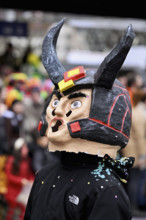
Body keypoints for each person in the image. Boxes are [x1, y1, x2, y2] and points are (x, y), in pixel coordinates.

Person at [24, 19, 135, 220]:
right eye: (56, 102)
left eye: (75, 104)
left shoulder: (105, 188)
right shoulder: (43, 175)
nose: (58, 112)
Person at [5, 138, 34, 220]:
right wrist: (20, 181)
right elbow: (9, 176)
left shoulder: (27, 160)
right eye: (24, 148)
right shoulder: (11, 160)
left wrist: (32, 179)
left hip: (24, 189)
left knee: (29, 205)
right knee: (25, 204)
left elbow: (29, 174)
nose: (26, 150)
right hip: (14, 191)